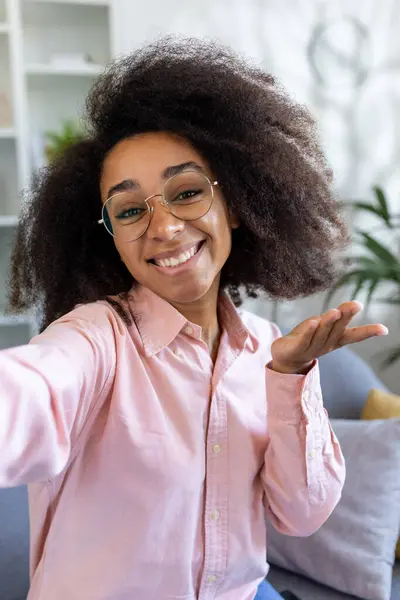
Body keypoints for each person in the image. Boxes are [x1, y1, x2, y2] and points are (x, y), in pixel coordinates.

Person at [1, 37, 388, 600]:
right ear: (108, 237)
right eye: (130, 210)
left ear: (235, 204)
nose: (163, 228)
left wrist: (290, 381)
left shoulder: (269, 348)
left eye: (185, 192)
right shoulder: (94, 338)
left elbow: (301, 515)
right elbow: (28, 392)